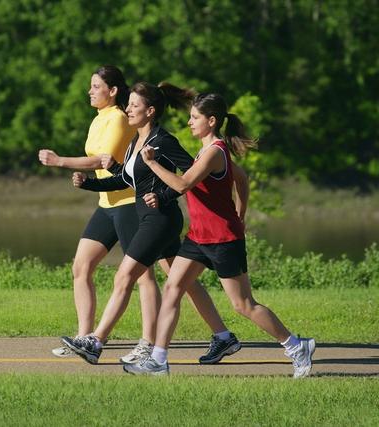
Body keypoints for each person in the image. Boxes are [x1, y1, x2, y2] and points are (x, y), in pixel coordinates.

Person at [124, 93, 316, 378]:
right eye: (190, 117)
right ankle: (159, 360)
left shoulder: (214, 151)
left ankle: (296, 345)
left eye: (195, 118)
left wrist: (152, 163)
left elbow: (184, 183)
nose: (189, 122)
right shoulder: (204, 152)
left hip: (223, 239)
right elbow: (241, 179)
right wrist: (241, 211)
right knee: (172, 289)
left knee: (243, 305)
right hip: (198, 237)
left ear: (211, 121)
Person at [62, 82, 246, 365]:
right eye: (128, 105)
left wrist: (163, 194)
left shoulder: (163, 141)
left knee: (124, 277)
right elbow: (126, 179)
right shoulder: (137, 140)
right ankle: (223, 337)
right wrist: (88, 183)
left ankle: (95, 341)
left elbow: (192, 176)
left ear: (150, 111)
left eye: (134, 105)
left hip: (160, 220)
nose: (128, 109)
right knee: (184, 282)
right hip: (152, 218)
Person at [39, 65, 165, 362]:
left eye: (96, 86)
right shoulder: (99, 120)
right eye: (91, 86)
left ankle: (149, 342)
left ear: (113, 91)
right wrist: (88, 181)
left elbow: (100, 159)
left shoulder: (120, 119)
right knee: (81, 268)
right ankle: (84, 337)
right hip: (106, 205)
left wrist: (60, 161)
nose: (90, 91)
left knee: (143, 275)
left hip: (127, 204)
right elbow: (99, 162)